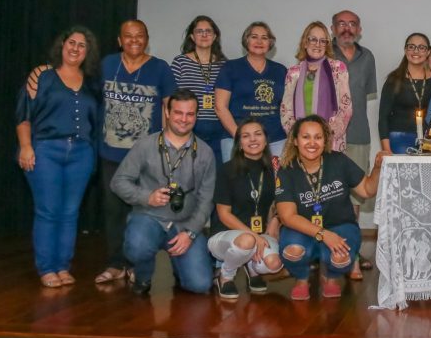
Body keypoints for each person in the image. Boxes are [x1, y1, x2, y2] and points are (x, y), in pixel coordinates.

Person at [16, 27, 100, 288]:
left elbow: (95, 123)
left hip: (81, 154)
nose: (75, 48)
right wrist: (26, 147)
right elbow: (23, 115)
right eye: (71, 42)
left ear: (88, 52)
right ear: (62, 46)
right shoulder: (42, 75)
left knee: (70, 213)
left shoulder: (91, 83)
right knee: (48, 211)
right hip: (45, 151)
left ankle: (63, 266)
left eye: (82, 45)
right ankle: (46, 268)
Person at [111, 89, 217, 296]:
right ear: (167, 113)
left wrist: (191, 232)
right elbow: (118, 182)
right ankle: (142, 275)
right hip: (148, 218)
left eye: (190, 114)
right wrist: (146, 197)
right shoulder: (145, 145)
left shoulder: (205, 152)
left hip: (184, 224)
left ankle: (181, 268)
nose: (184, 119)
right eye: (178, 113)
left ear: (196, 115)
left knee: (200, 285)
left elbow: (207, 199)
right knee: (138, 246)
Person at [96, 19, 176, 285]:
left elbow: (169, 108)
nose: (134, 40)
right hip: (111, 153)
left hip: (146, 157)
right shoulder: (106, 64)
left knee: (141, 213)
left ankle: (138, 266)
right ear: (120, 40)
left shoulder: (160, 68)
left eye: (139, 36)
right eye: (128, 36)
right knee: (113, 212)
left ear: (147, 39)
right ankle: (116, 264)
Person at [275, 115, 385, 300]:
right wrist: (324, 234)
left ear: (325, 140)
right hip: (303, 230)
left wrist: (377, 168)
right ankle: (301, 279)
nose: (312, 143)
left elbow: (367, 190)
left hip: (340, 225)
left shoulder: (338, 161)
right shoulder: (287, 170)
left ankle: (331, 277)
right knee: (293, 252)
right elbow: (287, 217)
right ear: (295, 140)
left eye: (318, 137)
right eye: (306, 137)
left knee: (340, 257)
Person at [208, 119, 283, 299]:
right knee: (247, 241)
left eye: (258, 134)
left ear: (266, 141)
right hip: (225, 236)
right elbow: (223, 215)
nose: (253, 139)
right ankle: (226, 276)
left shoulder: (275, 170)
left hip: (259, 234)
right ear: (239, 143)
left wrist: (275, 221)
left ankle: (252, 269)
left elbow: (284, 202)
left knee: (273, 264)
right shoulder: (227, 170)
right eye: (246, 136)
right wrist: (254, 236)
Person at [330, 9, 378, 275]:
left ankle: (353, 248)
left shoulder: (367, 57)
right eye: (341, 24)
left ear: (359, 29)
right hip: (326, 138)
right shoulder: (322, 55)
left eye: (352, 24)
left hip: (358, 133)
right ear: (333, 27)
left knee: (356, 197)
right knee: (328, 194)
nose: (347, 28)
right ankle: (329, 247)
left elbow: (365, 94)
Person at [215, 21, 288, 162]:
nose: (259, 41)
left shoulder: (281, 71)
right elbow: (220, 107)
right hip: (236, 139)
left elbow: (287, 107)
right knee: (237, 183)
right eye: (254, 36)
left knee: (276, 183)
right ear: (246, 39)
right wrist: (240, 137)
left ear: (270, 43)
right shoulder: (230, 68)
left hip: (275, 140)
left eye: (264, 37)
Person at [280, 21, 352, 151]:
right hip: (301, 143)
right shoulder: (293, 72)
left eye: (322, 41)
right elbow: (286, 109)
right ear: (305, 43)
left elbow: (346, 108)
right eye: (313, 39)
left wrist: (327, 135)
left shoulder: (338, 69)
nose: (318, 44)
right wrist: (297, 136)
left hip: (331, 141)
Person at [171, 15, 227, 163]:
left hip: (218, 128)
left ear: (215, 36)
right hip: (188, 126)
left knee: (215, 175)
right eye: (199, 31)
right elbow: (170, 98)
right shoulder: (180, 62)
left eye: (208, 31)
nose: (204, 35)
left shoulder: (224, 65)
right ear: (192, 36)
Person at [378, 32, 431, 153]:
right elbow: (383, 117)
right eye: (411, 47)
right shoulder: (394, 80)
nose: (416, 51)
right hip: (400, 138)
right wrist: (386, 151)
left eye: (421, 47)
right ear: (405, 50)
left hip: (430, 140)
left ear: (428, 52)